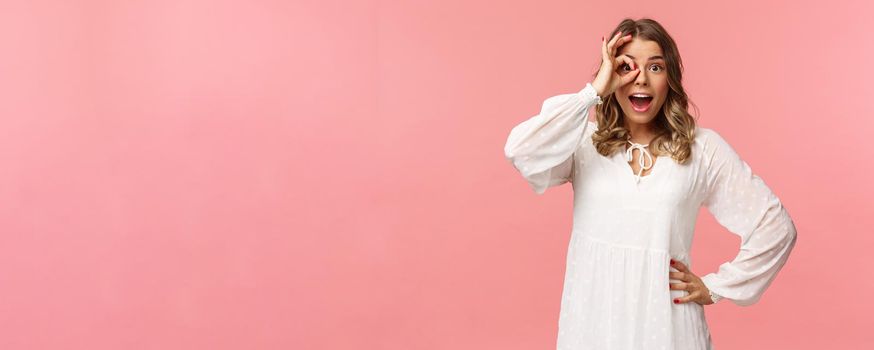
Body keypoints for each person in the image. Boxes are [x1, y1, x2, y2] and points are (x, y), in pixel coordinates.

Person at [502, 18, 798, 350]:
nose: (640, 78)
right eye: (627, 67)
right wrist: (594, 91)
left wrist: (716, 287)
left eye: (655, 67)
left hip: (669, 329)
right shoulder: (585, 142)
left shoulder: (702, 148)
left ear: (670, 78)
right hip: (594, 325)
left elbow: (776, 227)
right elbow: (520, 150)